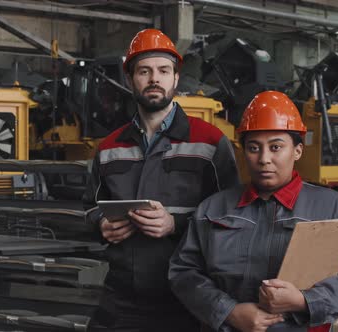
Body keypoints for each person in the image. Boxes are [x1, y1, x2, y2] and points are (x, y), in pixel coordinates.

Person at [168, 91, 338, 332]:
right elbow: (184, 272)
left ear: (297, 151)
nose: (264, 159)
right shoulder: (213, 208)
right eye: (254, 148)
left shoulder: (332, 208)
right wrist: (229, 311)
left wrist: (303, 301)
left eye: (276, 147)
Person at [83, 28, 239, 331]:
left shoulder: (210, 142)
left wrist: (175, 224)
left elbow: (234, 219)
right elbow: (90, 207)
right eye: (144, 71)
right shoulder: (109, 147)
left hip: (188, 299)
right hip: (121, 296)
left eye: (163, 70)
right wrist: (101, 224)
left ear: (175, 78)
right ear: (130, 80)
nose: (154, 78)